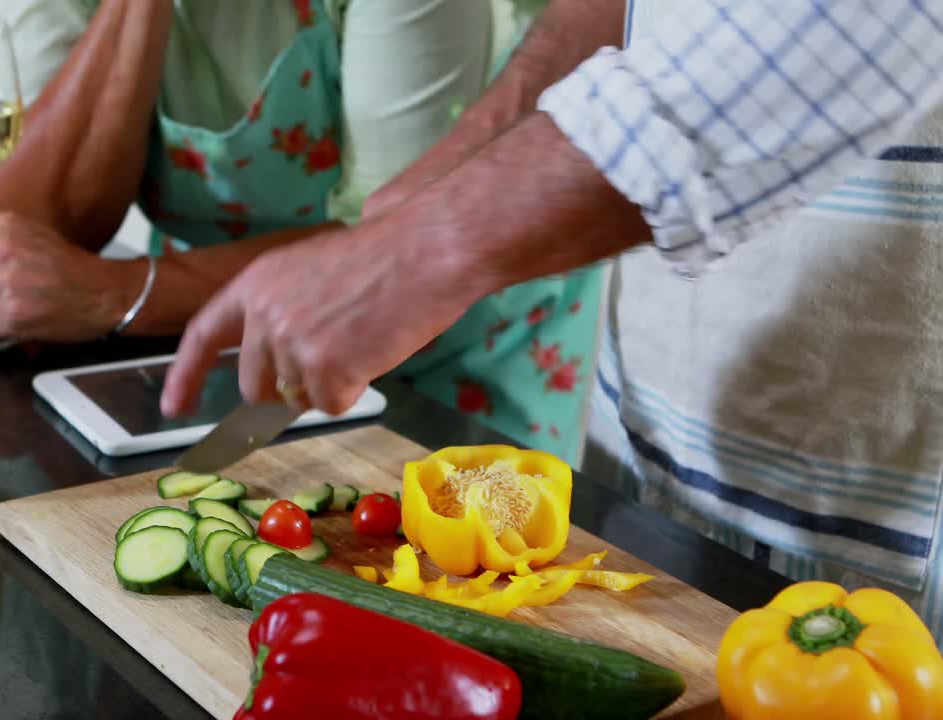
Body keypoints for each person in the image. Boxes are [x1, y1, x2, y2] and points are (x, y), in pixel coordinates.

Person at [160, 0, 943, 641]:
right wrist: (446, 180)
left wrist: (423, 247)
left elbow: (846, 21)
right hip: (654, 450)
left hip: (895, 502)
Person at [0, 0, 606, 462]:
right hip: (201, 347)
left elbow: (391, 241)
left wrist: (115, 294)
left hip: (445, 353)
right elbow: (46, 227)